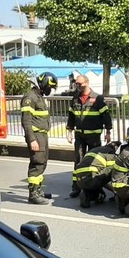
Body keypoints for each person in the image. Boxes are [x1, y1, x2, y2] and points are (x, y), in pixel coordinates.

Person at [66, 75, 112, 198]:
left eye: (80, 84)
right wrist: (69, 130)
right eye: (76, 84)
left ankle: (96, 187)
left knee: (94, 162)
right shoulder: (75, 98)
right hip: (80, 135)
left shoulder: (98, 98)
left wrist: (108, 132)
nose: (78, 86)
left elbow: (106, 116)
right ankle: (76, 187)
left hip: (94, 137)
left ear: (87, 82)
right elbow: (71, 116)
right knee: (78, 161)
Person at [20, 72, 58, 205]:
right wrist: (32, 140)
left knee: (42, 163)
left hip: (42, 135)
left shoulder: (39, 96)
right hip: (36, 136)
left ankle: (38, 190)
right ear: (43, 84)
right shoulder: (30, 98)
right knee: (37, 163)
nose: (50, 90)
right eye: (50, 87)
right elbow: (26, 121)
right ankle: (33, 194)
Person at [73, 140, 121, 209]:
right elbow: (114, 173)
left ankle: (87, 195)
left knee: (97, 189)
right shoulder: (110, 153)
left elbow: (77, 168)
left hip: (80, 180)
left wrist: (75, 188)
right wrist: (117, 191)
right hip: (92, 178)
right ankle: (118, 195)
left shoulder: (96, 150)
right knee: (115, 167)